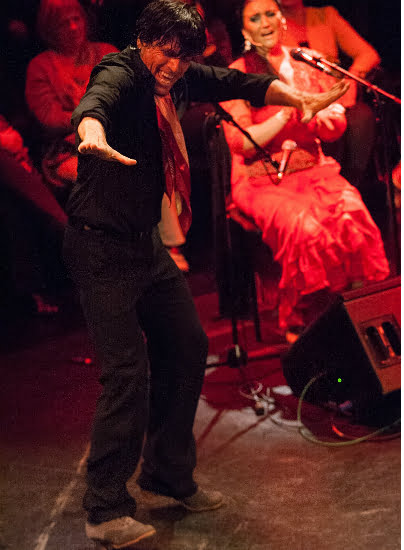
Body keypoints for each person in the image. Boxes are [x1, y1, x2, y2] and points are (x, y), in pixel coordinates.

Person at [63, 0, 349, 547]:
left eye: (184, 56)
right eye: (166, 53)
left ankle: (167, 474)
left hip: (144, 246)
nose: (174, 65)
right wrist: (92, 132)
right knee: (127, 375)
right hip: (99, 248)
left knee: (189, 345)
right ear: (144, 40)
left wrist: (298, 98)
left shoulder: (178, 75)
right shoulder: (121, 71)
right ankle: (104, 509)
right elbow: (96, 101)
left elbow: (243, 84)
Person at [220, 0, 389, 341]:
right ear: (244, 29)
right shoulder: (237, 74)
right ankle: (306, 324)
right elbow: (242, 144)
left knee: (352, 213)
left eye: (271, 14)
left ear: (282, 20)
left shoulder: (305, 61)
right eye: (255, 17)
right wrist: (289, 109)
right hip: (262, 179)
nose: (265, 22)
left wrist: (323, 119)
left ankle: (353, 313)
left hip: (314, 169)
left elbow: (335, 129)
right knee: (305, 228)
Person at [277, 0, 381, 192]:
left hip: (335, 98)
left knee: (361, 117)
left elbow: (368, 54)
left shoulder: (325, 16)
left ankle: (350, 187)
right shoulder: (270, 22)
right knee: (322, 126)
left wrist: (351, 79)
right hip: (300, 103)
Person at [25, 0, 118, 204]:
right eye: (63, 23)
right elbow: (49, 119)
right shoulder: (41, 67)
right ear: (50, 28)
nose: (73, 27)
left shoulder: (107, 53)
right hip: (66, 151)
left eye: (76, 19)